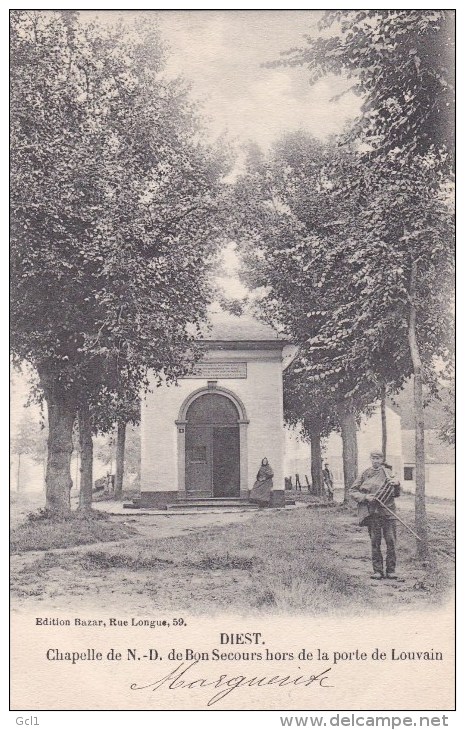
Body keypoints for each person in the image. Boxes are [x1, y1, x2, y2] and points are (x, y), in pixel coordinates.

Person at [350, 450, 401, 580]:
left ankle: (391, 570)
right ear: (370, 459)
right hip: (373, 513)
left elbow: (396, 494)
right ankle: (377, 571)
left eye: (378, 458)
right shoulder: (365, 474)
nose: (376, 461)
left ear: (382, 459)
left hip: (388, 512)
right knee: (375, 542)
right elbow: (352, 491)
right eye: (373, 458)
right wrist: (366, 497)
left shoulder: (389, 473)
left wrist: (397, 485)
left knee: (391, 541)